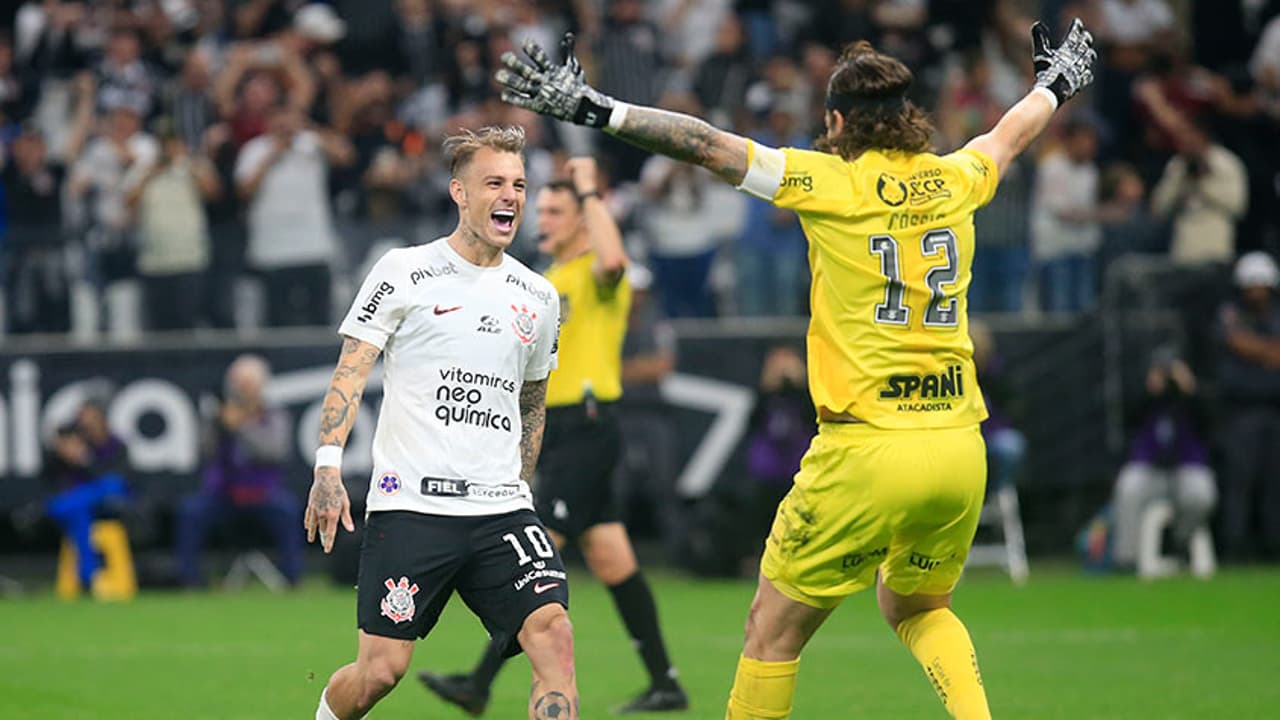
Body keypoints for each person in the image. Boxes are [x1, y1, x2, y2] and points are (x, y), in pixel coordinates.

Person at [494, 17, 1095, 718]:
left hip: (867, 449)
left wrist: (597, 109)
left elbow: (704, 143)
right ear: (907, 118)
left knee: (770, 635)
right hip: (960, 445)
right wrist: (1055, 84)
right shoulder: (953, 178)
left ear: (838, 120)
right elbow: (1008, 135)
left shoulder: (826, 181)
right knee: (917, 607)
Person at [305, 126, 575, 720]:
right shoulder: (404, 270)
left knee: (553, 633)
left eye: (519, 185)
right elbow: (351, 370)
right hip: (413, 509)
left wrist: (518, 485)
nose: (510, 196)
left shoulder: (538, 295)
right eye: (494, 183)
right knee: (380, 672)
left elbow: (532, 402)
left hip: (500, 509)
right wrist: (328, 468)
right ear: (459, 192)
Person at [417, 157, 688, 714]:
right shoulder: (546, 279)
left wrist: (590, 189)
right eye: (541, 209)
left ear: (584, 219)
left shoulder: (596, 274)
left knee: (532, 559)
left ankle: (478, 682)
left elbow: (615, 257)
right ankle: (666, 682)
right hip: (559, 430)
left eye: (555, 210)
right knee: (613, 560)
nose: (541, 217)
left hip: (586, 427)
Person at [176, 354, 301, 587]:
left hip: (263, 493)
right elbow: (203, 452)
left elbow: (274, 451)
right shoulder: (218, 416)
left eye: (247, 384)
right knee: (191, 513)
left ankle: (292, 578)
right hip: (224, 494)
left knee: (288, 512)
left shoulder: (273, 415)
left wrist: (242, 426)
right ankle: (190, 580)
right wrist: (218, 425)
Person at [1109, 348, 1216, 569]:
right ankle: (1127, 559)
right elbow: (1128, 419)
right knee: (1128, 486)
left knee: (1202, 494)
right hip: (1150, 468)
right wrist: (1150, 391)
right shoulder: (1146, 396)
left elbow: (1211, 423)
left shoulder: (1193, 397)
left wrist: (1188, 388)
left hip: (1188, 467)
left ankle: (1181, 543)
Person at [1215, 251, 1280, 562]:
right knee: (1240, 480)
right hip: (1241, 412)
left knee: (1274, 482)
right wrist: (1265, 350)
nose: (1257, 291)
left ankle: (1272, 546)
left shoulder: (1276, 315)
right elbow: (1234, 339)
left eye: (1262, 285)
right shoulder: (1230, 313)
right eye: (1251, 285)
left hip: (1274, 410)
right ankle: (1235, 547)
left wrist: (1256, 349)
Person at [43, 395, 130, 592]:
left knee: (110, 484)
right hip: (85, 503)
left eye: (88, 415)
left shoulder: (115, 444)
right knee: (79, 515)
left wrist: (86, 461)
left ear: (100, 417)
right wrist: (65, 457)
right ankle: (88, 577)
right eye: (81, 416)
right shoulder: (72, 443)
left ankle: (55, 508)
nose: (84, 420)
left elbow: (118, 480)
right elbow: (53, 479)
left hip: (109, 499)